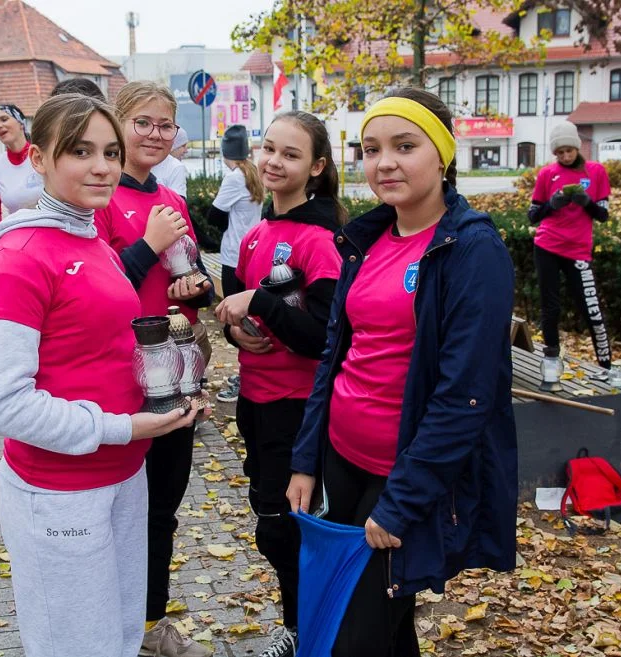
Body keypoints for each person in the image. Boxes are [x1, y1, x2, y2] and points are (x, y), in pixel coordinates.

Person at [0, 93, 207, 657]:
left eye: (109, 151)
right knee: (77, 645)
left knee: (121, 639)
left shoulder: (93, 242)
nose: (102, 166)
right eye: (80, 151)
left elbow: (99, 349)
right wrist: (124, 428)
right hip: (60, 491)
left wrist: (171, 374)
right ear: (39, 158)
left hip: (123, 478)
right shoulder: (20, 256)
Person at [287, 88, 518, 657]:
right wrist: (305, 458)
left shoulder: (471, 249)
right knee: (384, 630)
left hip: (402, 477)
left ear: (442, 155)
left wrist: (403, 501)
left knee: (353, 636)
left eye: (405, 146)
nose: (384, 162)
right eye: (371, 149)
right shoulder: (366, 240)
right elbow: (335, 356)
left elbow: (466, 395)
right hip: (344, 461)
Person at [215, 112, 345, 657]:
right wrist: (235, 332)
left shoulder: (323, 240)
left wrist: (258, 302)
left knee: (285, 531)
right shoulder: (258, 233)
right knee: (272, 525)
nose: (273, 160)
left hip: (303, 412)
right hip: (256, 404)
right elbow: (254, 321)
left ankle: (303, 632)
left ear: (316, 168)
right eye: (268, 148)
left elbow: (322, 338)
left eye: (290, 154)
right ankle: (304, 627)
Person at [93, 81, 215, 657]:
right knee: (117, 510)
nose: (155, 134)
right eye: (142, 122)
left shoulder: (172, 198)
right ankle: (109, 628)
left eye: (165, 125)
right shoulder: (98, 195)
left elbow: (189, 281)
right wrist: (146, 244)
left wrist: (198, 287)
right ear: (117, 125)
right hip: (117, 380)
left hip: (172, 376)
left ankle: (149, 628)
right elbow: (91, 287)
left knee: (162, 510)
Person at [527, 121, 613, 371]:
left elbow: (603, 215)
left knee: (591, 307)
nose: (565, 156)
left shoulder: (596, 172)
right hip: (547, 246)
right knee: (550, 306)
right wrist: (551, 204)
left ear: (578, 148)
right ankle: (552, 361)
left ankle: (606, 364)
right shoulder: (547, 174)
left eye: (569, 151)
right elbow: (533, 215)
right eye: (560, 152)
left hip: (578, 251)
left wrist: (586, 202)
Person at [210, 124, 264, 404]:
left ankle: (244, 378)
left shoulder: (234, 177)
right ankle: (249, 373)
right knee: (250, 318)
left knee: (235, 321)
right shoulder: (253, 171)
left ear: (225, 152)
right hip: (253, 253)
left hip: (234, 256)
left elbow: (214, 216)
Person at [0, 104, 42, 225]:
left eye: (4, 119)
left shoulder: (43, 155)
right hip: (18, 234)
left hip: (53, 230)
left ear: (21, 123)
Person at [152, 127, 190, 197]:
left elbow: (177, 203)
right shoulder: (176, 167)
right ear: (173, 146)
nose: (186, 150)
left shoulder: (176, 167)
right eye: (183, 146)